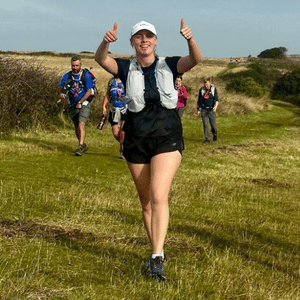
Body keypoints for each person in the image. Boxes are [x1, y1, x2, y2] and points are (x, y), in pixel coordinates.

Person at [95, 19, 202, 281]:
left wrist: (190, 38)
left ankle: (155, 259)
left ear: (155, 41)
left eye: (149, 36)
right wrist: (106, 42)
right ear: (132, 42)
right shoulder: (123, 67)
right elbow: (101, 59)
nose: (144, 40)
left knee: (157, 195)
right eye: (139, 37)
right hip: (135, 138)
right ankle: (159, 249)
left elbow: (196, 59)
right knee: (145, 203)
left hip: (167, 137)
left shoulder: (170, 63)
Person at [59, 55, 94, 156]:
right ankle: (82, 145)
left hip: (85, 102)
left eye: (76, 65)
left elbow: (89, 91)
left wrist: (81, 102)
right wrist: (62, 94)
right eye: (73, 65)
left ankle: (80, 146)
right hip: (72, 103)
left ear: (80, 65)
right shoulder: (67, 75)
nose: (74, 67)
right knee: (76, 126)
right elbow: (61, 88)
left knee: (81, 123)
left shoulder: (86, 75)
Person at [102, 76, 127, 158]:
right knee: (115, 131)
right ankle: (125, 144)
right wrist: (104, 106)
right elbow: (107, 94)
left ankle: (123, 151)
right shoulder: (111, 81)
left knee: (122, 130)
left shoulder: (126, 79)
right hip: (113, 109)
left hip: (125, 109)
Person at [197, 77, 219, 143]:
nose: (206, 86)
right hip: (204, 110)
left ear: (210, 83)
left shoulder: (213, 89)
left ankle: (214, 134)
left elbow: (216, 100)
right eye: (205, 84)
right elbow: (199, 100)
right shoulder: (201, 90)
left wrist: (215, 107)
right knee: (205, 125)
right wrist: (198, 109)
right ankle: (207, 139)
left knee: (213, 125)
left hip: (211, 110)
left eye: (207, 84)